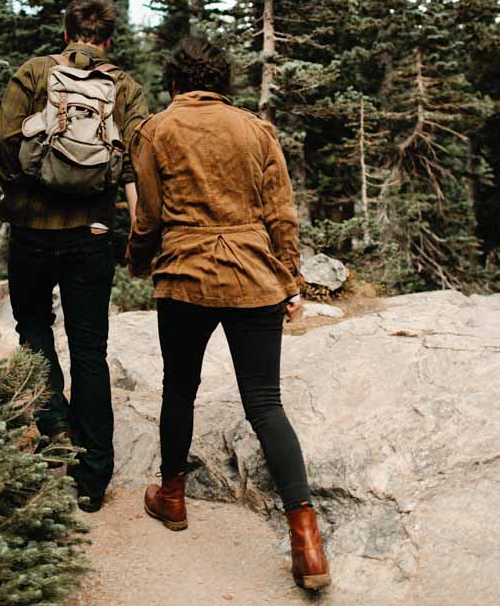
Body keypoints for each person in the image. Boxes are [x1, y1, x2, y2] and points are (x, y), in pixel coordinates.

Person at [126, 36, 330, 591]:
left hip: (185, 271)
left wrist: (140, 263)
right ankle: (306, 539)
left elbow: (148, 217)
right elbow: (281, 212)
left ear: (175, 83)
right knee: (265, 404)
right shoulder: (255, 129)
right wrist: (289, 279)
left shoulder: (155, 129)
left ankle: (172, 498)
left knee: (178, 389)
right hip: (253, 272)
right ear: (223, 83)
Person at [0, 0, 149, 512]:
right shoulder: (124, 86)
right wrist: (138, 230)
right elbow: (136, 165)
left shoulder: (34, 73)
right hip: (92, 232)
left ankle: (55, 425)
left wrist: (30, 177)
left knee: (33, 331)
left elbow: (0, 149)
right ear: (108, 42)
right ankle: (94, 477)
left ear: (65, 35)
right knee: (89, 349)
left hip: (32, 229)